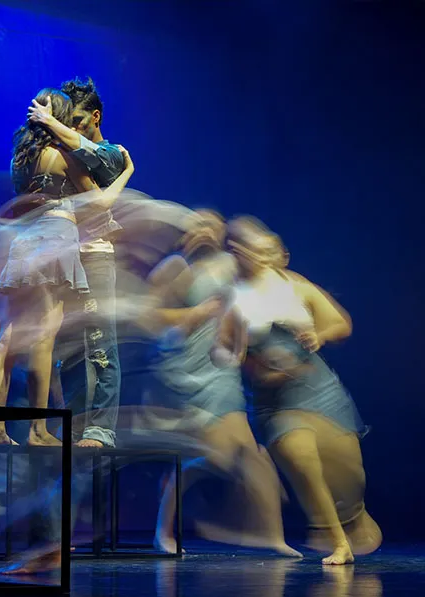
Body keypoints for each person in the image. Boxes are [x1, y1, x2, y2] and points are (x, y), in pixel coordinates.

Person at [226, 216, 381, 565]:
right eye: (247, 248)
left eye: (263, 248)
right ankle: (339, 542)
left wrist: (319, 336)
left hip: (318, 389)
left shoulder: (295, 285)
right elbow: (225, 350)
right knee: (302, 458)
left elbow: (341, 323)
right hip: (274, 402)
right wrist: (249, 364)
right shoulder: (233, 297)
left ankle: (353, 516)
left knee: (349, 473)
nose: (257, 255)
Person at [0, 87, 134, 448]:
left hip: (26, 240)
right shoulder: (64, 156)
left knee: (10, 334)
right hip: (54, 239)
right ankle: (38, 430)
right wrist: (128, 171)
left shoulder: (20, 158)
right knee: (45, 333)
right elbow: (100, 203)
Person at [147, 210, 300, 557]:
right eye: (196, 225)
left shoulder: (231, 266)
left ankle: (272, 535)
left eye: (211, 226)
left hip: (222, 369)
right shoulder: (175, 268)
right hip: (184, 371)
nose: (204, 231)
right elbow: (151, 318)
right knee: (216, 456)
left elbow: (259, 296)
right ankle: (164, 527)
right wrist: (195, 314)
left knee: (247, 452)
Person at [25, 76, 125, 449]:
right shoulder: (61, 153)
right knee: (66, 348)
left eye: (77, 122)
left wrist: (51, 124)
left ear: (95, 118)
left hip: (95, 254)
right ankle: (74, 426)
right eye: (65, 122)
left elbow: (99, 167)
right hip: (61, 257)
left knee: (100, 341)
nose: (69, 129)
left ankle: (101, 429)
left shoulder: (113, 152)